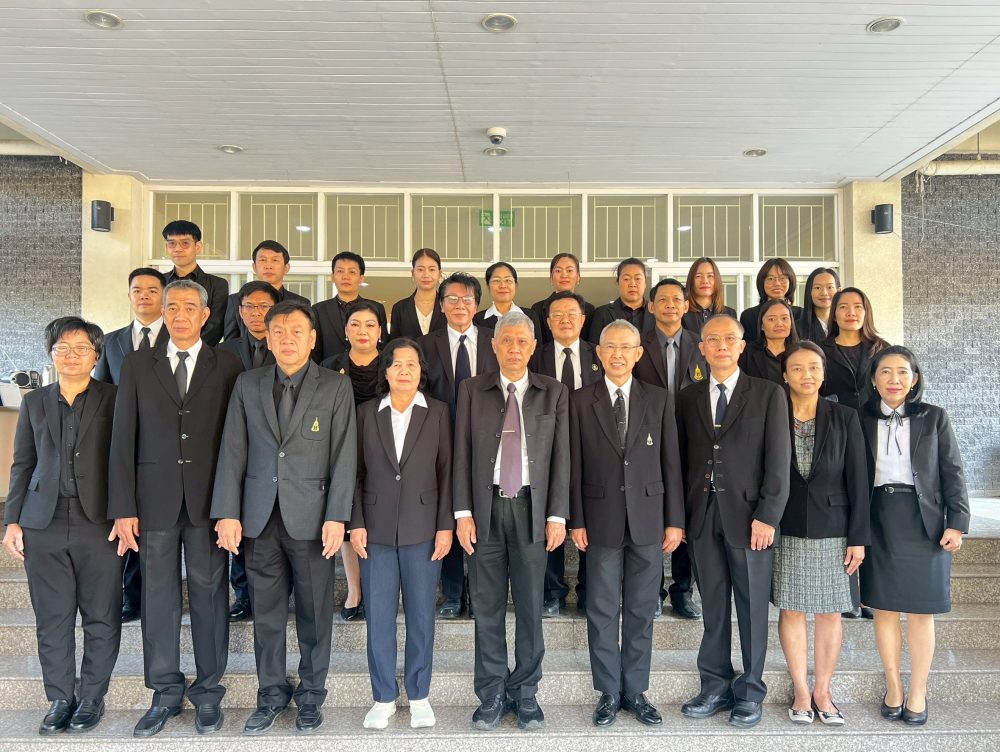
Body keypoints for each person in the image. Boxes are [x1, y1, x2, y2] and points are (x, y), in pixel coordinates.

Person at [212, 300, 356, 736]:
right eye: (279, 331)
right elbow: (232, 450)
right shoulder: (248, 384)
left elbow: (344, 454)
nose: (287, 338)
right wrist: (227, 513)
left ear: (312, 339)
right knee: (267, 616)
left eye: (296, 331)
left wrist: (338, 516)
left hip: (313, 520)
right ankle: (271, 694)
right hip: (259, 519)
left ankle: (311, 696)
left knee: (315, 614)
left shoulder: (335, 386)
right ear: (268, 338)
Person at [108, 280, 243, 737]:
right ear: (162, 313)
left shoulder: (227, 363)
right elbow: (122, 436)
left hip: (209, 504)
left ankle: (208, 692)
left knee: (209, 596)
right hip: (154, 501)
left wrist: (230, 506)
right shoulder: (137, 363)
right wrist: (123, 506)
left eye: (189, 307)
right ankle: (164, 691)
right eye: (172, 307)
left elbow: (235, 440)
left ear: (206, 315)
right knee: (158, 598)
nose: (180, 315)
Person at [3, 317, 120, 735]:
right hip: (43, 521)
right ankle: (60, 698)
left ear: (96, 355)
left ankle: (91, 697)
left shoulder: (115, 398)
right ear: (51, 355)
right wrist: (12, 520)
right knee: (52, 617)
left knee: (101, 614)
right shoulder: (35, 402)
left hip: (99, 522)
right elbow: (23, 463)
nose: (72, 355)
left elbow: (125, 462)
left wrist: (128, 514)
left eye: (81, 348)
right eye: (62, 348)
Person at [454, 311, 570, 731]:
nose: (515, 348)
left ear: (534, 346)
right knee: (486, 607)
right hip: (485, 510)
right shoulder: (472, 390)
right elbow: (461, 452)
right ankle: (491, 693)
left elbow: (562, 457)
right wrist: (462, 513)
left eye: (523, 341)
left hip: (531, 510)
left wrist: (557, 514)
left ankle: (525, 693)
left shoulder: (553, 392)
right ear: (494, 345)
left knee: (529, 608)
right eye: (507, 341)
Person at [676, 314, 790, 729]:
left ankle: (751, 690)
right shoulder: (687, 397)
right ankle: (715, 686)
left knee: (752, 608)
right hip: (703, 516)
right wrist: (680, 517)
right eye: (712, 339)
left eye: (729, 339)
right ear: (701, 348)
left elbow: (778, 461)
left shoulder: (768, 393)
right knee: (713, 606)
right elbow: (680, 460)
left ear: (742, 346)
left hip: (750, 519)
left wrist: (768, 516)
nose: (721, 345)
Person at [569, 319, 684, 728]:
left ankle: (635, 691)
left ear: (638, 354)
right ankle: (608, 691)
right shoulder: (580, 400)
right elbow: (573, 465)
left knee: (641, 609)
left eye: (625, 348)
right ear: (598, 354)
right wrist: (576, 519)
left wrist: (675, 520)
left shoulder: (659, 398)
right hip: (599, 518)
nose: (617, 354)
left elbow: (671, 462)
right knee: (601, 608)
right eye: (610, 347)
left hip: (649, 518)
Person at [860, 346, 969, 726]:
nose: (894, 379)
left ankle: (918, 690)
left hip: (926, 522)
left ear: (914, 379)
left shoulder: (934, 417)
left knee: (922, 612)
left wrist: (957, 522)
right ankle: (893, 685)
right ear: (873, 379)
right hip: (878, 519)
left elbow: (952, 470)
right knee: (884, 609)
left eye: (902, 372)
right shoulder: (859, 418)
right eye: (885, 372)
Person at [352, 338, 453, 730]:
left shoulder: (438, 413)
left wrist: (445, 526)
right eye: (397, 364)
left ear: (420, 371)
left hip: (423, 528)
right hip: (374, 529)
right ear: (386, 371)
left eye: (412, 364)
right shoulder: (366, 413)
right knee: (378, 616)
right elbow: (355, 473)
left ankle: (419, 695)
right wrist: (356, 523)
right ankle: (382, 697)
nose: (404, 371)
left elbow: (447, 472)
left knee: (421, 615)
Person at [772, 342, 869, 726]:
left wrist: (858, 537)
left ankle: (823, 692)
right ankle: (800, 691)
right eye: (797, 368)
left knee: (830, 612)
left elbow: (858, 480)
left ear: (824, 373)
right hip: (787, 526)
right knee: (791, 609)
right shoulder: (772, 413)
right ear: (785, 375)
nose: (806, 374)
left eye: (814, 367)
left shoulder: (844, 416)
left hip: (834, 528)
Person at [419, 272, 499, 618]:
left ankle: (481, 593)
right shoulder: (425, 345)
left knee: (483, 512)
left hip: (490, 442)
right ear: (441, 305)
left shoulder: (496, 340)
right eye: (451, 299)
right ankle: (452, 594)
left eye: (467, 299)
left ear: (477, 304)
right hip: (441, 442)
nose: (459, 305)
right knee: (449, 512)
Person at [93, 266, 168, 624]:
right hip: (125, 446)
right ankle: (131, 596)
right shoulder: (112, 342)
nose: (144, 296)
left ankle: (161, 595)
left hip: (167, 448)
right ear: (129, 295)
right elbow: (102, 394)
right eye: (137, 290)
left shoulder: (180, 339)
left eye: (152, 290)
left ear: (163, 296)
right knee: (129, 519)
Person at [633, 278, 708, 620]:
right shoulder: (638, 344)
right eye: (662, 299)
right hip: (647, 441)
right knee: (650, 513)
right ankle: (652, 591)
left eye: (676, 299)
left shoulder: (701, 344)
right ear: (651, 306)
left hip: (692, 440)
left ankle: (682, 590)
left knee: (686, 515)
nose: (670, 305)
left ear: (686, 305)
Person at [528, 290, 602, 616]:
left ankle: (587, 589)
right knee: (551, 513)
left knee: (591, 515)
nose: (565, 320)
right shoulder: (536, 356)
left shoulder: (599, 353)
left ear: (583, 319)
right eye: (557, 315)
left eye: (572, 314)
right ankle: (553, 591)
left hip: (593, 444)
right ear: (548, 322)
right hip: (547, 445)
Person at [218, 281, 280, 623]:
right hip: (236, 445)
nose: (257, 313)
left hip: (274, 449)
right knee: (238, 523)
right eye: (249, 307)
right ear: (239, 312)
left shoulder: (286, 347)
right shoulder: (224, 352)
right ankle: (242, 594)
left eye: (264, 306)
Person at [321, 300, 387, 621]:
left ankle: (378, 590)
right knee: (348, 517)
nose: (363, 331)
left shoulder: (393, 364)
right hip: (342, 449)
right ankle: (354, 590)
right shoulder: (329, 366)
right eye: (355, 325)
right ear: (345, 331)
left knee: (378, 517)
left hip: (385, 450)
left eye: (370, 325)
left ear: (380, 331)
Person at [222, 240, 311, 341]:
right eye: (263, 260)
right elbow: (230, 343)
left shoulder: (300, 303)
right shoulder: (234, 301)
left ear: (286, 268)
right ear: (254, 267)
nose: (268, 266)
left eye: (275, 260)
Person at [161, 220, 229, 346]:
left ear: (198, 247)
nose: (177, 249)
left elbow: (215, 326)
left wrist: (188, 349)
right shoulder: (158, 283)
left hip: (202, 353)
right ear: (166, 247)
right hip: (161, 352)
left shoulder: (218, 284)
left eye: (185, 243)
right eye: (172, 244)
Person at [820, 287, 889, 410]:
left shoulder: (883, 349)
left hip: (875, 417)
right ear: (834, 315)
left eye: (858, 307)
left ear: (866, 313)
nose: (851, 313)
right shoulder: (819, 352)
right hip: (836, 417)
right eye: (843, 307)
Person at [312, 251, 388, 362]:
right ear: (332, 277)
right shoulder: (319, 310)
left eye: (352, 272)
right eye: (340, 271)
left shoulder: (376, 308)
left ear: (361, 278)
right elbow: (315, 350)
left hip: (369, 370)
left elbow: (384, 345)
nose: (345, 277)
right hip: (329, 370)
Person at [530, 253, 596, 345]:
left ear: (578, 276)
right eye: (558, 271)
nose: (564, 275)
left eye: (569, 270)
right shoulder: (537, 309)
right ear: (551, 277)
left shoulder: (589, 310)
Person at [587, 258, 654, 343]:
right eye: (626, 279)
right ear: (618, 282)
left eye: (637, 278)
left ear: (645, 283)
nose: (632, 284)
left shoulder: (656, 312)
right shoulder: (602, 314)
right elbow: (595, 346)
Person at [739, 258, 802, 344]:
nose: (777, 284)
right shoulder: (749, 316)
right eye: (770, 278)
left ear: (790, 281)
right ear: (762, 282)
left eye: (782, 278)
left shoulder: (801, 314)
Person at [387, 248, 445, 341]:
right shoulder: (400, 308)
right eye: (420, 269)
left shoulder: (448, 306)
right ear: (413, 273)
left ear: (439, 273)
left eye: (432, 269)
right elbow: (394, 344)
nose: (426, 275)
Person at [739, 299, 799, 385]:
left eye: (784, 318)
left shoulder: (801, 352)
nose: (779, 323)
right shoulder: (748, 352)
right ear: (762, 325)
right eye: (771, 319)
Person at [473, 262, 543, 333]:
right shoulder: (477, 319)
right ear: (488, 286)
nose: (503, 285)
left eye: (508, 280)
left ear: (515, 285)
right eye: (496, 280)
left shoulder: (530, 316)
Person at [682, 258, 737, 335]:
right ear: (691, 280)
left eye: (710, 276)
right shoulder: (680, 313)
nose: (705, 281)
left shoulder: (729, 313)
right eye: (698, 276)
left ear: (717, 280)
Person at [795, 268, 840, 343]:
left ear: (838, 291)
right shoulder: (797, 328)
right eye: (818, 287)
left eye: (830, 287)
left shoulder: (846, 326)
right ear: (809, 292)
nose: (824, 293)